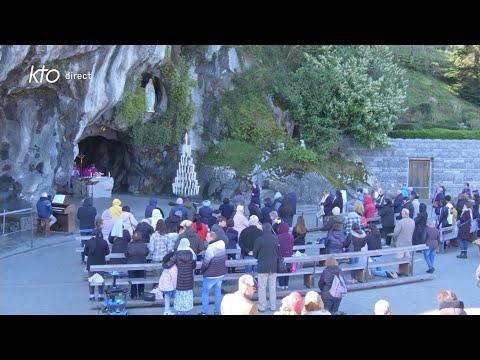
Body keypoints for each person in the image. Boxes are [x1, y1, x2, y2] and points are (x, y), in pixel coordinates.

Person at [163, 238, 197, 315]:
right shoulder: (192, 254)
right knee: (187, 296)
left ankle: (179, 312)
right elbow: (194, 266)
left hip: (179, 279)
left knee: (179, 296)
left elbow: (168, 265)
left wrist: (163, 264)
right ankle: (187, 312)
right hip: (189, 280)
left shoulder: (177, 255)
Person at [253, 223, 280, 312]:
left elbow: (255, 254)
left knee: (262, 287)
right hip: (273, 266)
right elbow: (278, 252)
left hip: (262, 266)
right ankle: (273, 306)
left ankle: (262, 306)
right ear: (270, 229)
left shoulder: (259, 240)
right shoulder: (275, 239)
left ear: (263, 229)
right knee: (272, 287)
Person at [198, 231, 227, 315]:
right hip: (220, 273)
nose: (205, 239)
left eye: (207, 237)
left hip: (211, 274)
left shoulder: (210, 248)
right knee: (218, 293)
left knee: (205, 293)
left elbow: (206, 262)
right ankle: (217, 311)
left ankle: (204, 311)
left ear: (212, 238)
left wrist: (202, 270)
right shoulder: (222, 246)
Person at [84, 222, 110, 302]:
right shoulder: (104, 242)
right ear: (100, 234)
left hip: (91, 264)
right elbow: (107, 252)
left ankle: (91, 296)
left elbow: (85, 253)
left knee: (91, 280)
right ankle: (100, 295)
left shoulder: (88, 242)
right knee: (100, 280)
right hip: (101, 263)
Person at [125, 231, 149, 300]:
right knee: (141, 281)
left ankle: (133, 295)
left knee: (132, 281)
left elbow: (126, 254)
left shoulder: (129, 245)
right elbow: (146, 253)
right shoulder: (144, 245)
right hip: (142, 265)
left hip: (131, 265)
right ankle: (141, 294)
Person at [77, 198, 97, 264]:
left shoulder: (80, 209)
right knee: (92, 243)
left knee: (83, 244)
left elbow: (78, 217)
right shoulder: (93, 209)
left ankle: (83, 259)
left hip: (83, 228)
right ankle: (91, 258)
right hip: (91, 228)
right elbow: (95, 215)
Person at [277, 222, 294, 290]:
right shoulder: (291, 236)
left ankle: (281, 284)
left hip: (281, 255)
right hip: (289, 254)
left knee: (281, 269)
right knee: (287, 269)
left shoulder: (278, 237)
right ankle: (286, 284)